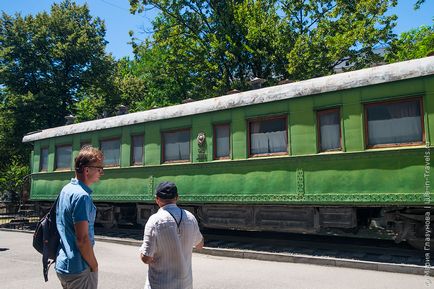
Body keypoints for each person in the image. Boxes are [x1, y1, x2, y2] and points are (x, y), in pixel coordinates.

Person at [55, 146, 104, 289]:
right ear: (87, 170)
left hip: (63, 264)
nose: (101, 172)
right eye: (99, 168)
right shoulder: (82, 196)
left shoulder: (67, 189)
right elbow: (82, 239)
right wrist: (94, 264)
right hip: (78, 267)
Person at [139, 181, 204, 289]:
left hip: (159, 285)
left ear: (157, 199)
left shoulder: (154, 221)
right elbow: (200, 245)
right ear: (177, 197)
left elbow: (146, 258)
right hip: (185, 285)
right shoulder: (190, 218)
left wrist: (142, 250)